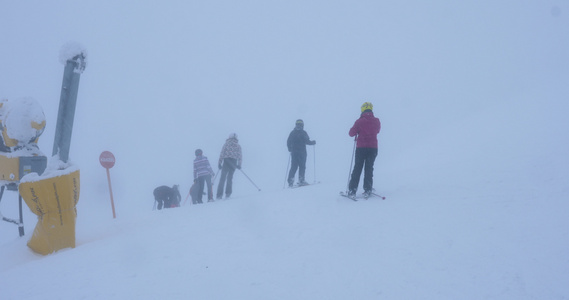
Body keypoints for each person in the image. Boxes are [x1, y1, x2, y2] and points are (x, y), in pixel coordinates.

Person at [348, 102, 381, 197]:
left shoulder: (359, 121)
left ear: (362, 109)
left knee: (357, 168)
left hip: (361, 148)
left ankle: (352, 190)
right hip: (373, 148)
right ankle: (368, 189)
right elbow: (377, 130)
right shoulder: (376, 121)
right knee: (369, 168)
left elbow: (351, 133)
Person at [287, 119, 316, 187]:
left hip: (294, 153)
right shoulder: (303, 133)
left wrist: (290, 149)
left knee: (294, 167)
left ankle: (290, 181)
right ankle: (301, 180)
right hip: (302, 153)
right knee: (302, 166)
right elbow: (307, 141)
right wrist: (313, 142)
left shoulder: (292, 133)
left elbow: (288, 142)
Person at [217, 133, 242, 199]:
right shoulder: (238, 146)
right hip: (233, 163)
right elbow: (240, 156)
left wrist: (219, 163)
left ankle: (219, 195)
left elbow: (222, 154)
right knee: (230, 178)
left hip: (226, 161)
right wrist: (239, 165)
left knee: (222, 178)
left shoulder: (226, 144)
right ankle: (228, 194)